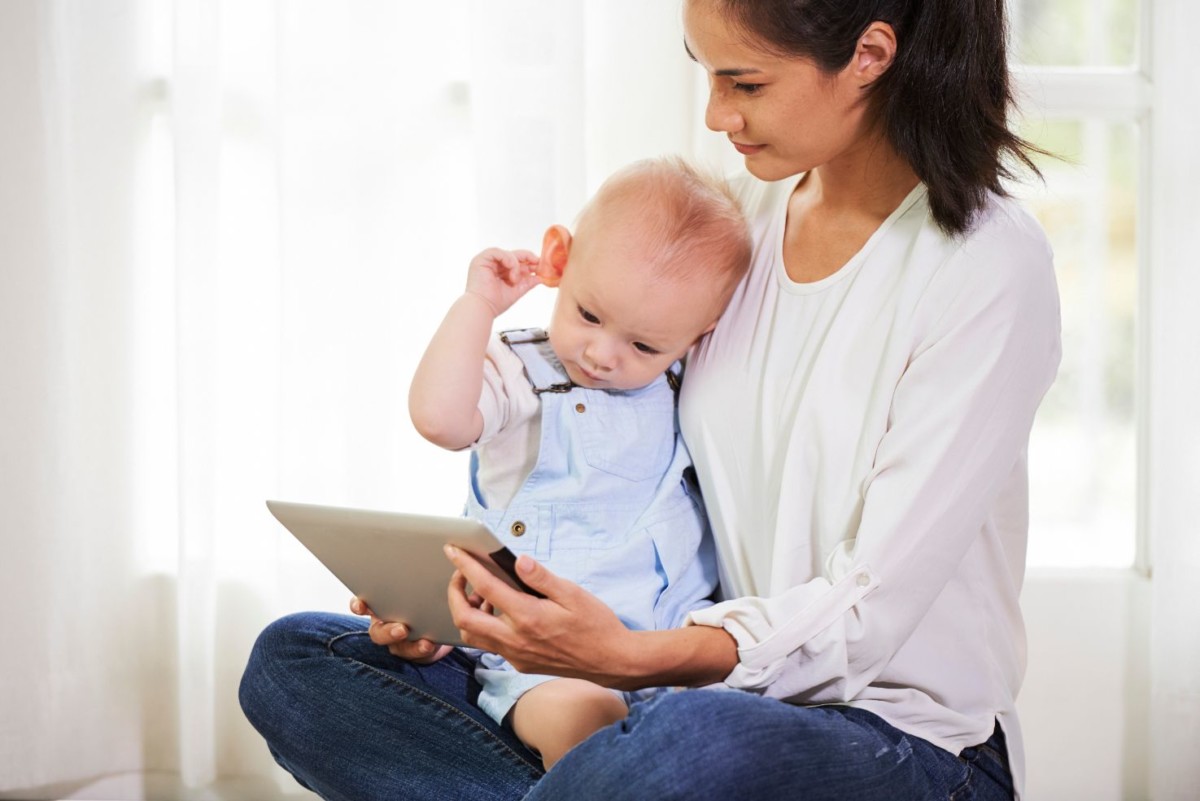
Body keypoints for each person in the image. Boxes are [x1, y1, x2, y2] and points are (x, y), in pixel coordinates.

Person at [239, 0, 1062, 798]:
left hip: (897, 740)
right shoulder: (737, 225)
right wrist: (475, 621)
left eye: (745, 83)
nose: (715, 116)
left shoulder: (984, 265)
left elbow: (868, 611)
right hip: (673, 693)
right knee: (298, 661)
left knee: (684, 750)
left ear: (870, 56)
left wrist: (627, 656)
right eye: (704, 75)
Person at [404, 157, 751, 769]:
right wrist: (478, 305)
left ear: (701, 335)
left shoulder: (683, 383)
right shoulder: (522, 375)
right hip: (545, 668)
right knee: (585, 719)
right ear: (559, 262)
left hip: (673, 659)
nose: (602, 354)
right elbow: (440, 419)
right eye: (590, 315)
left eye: (644, 345)